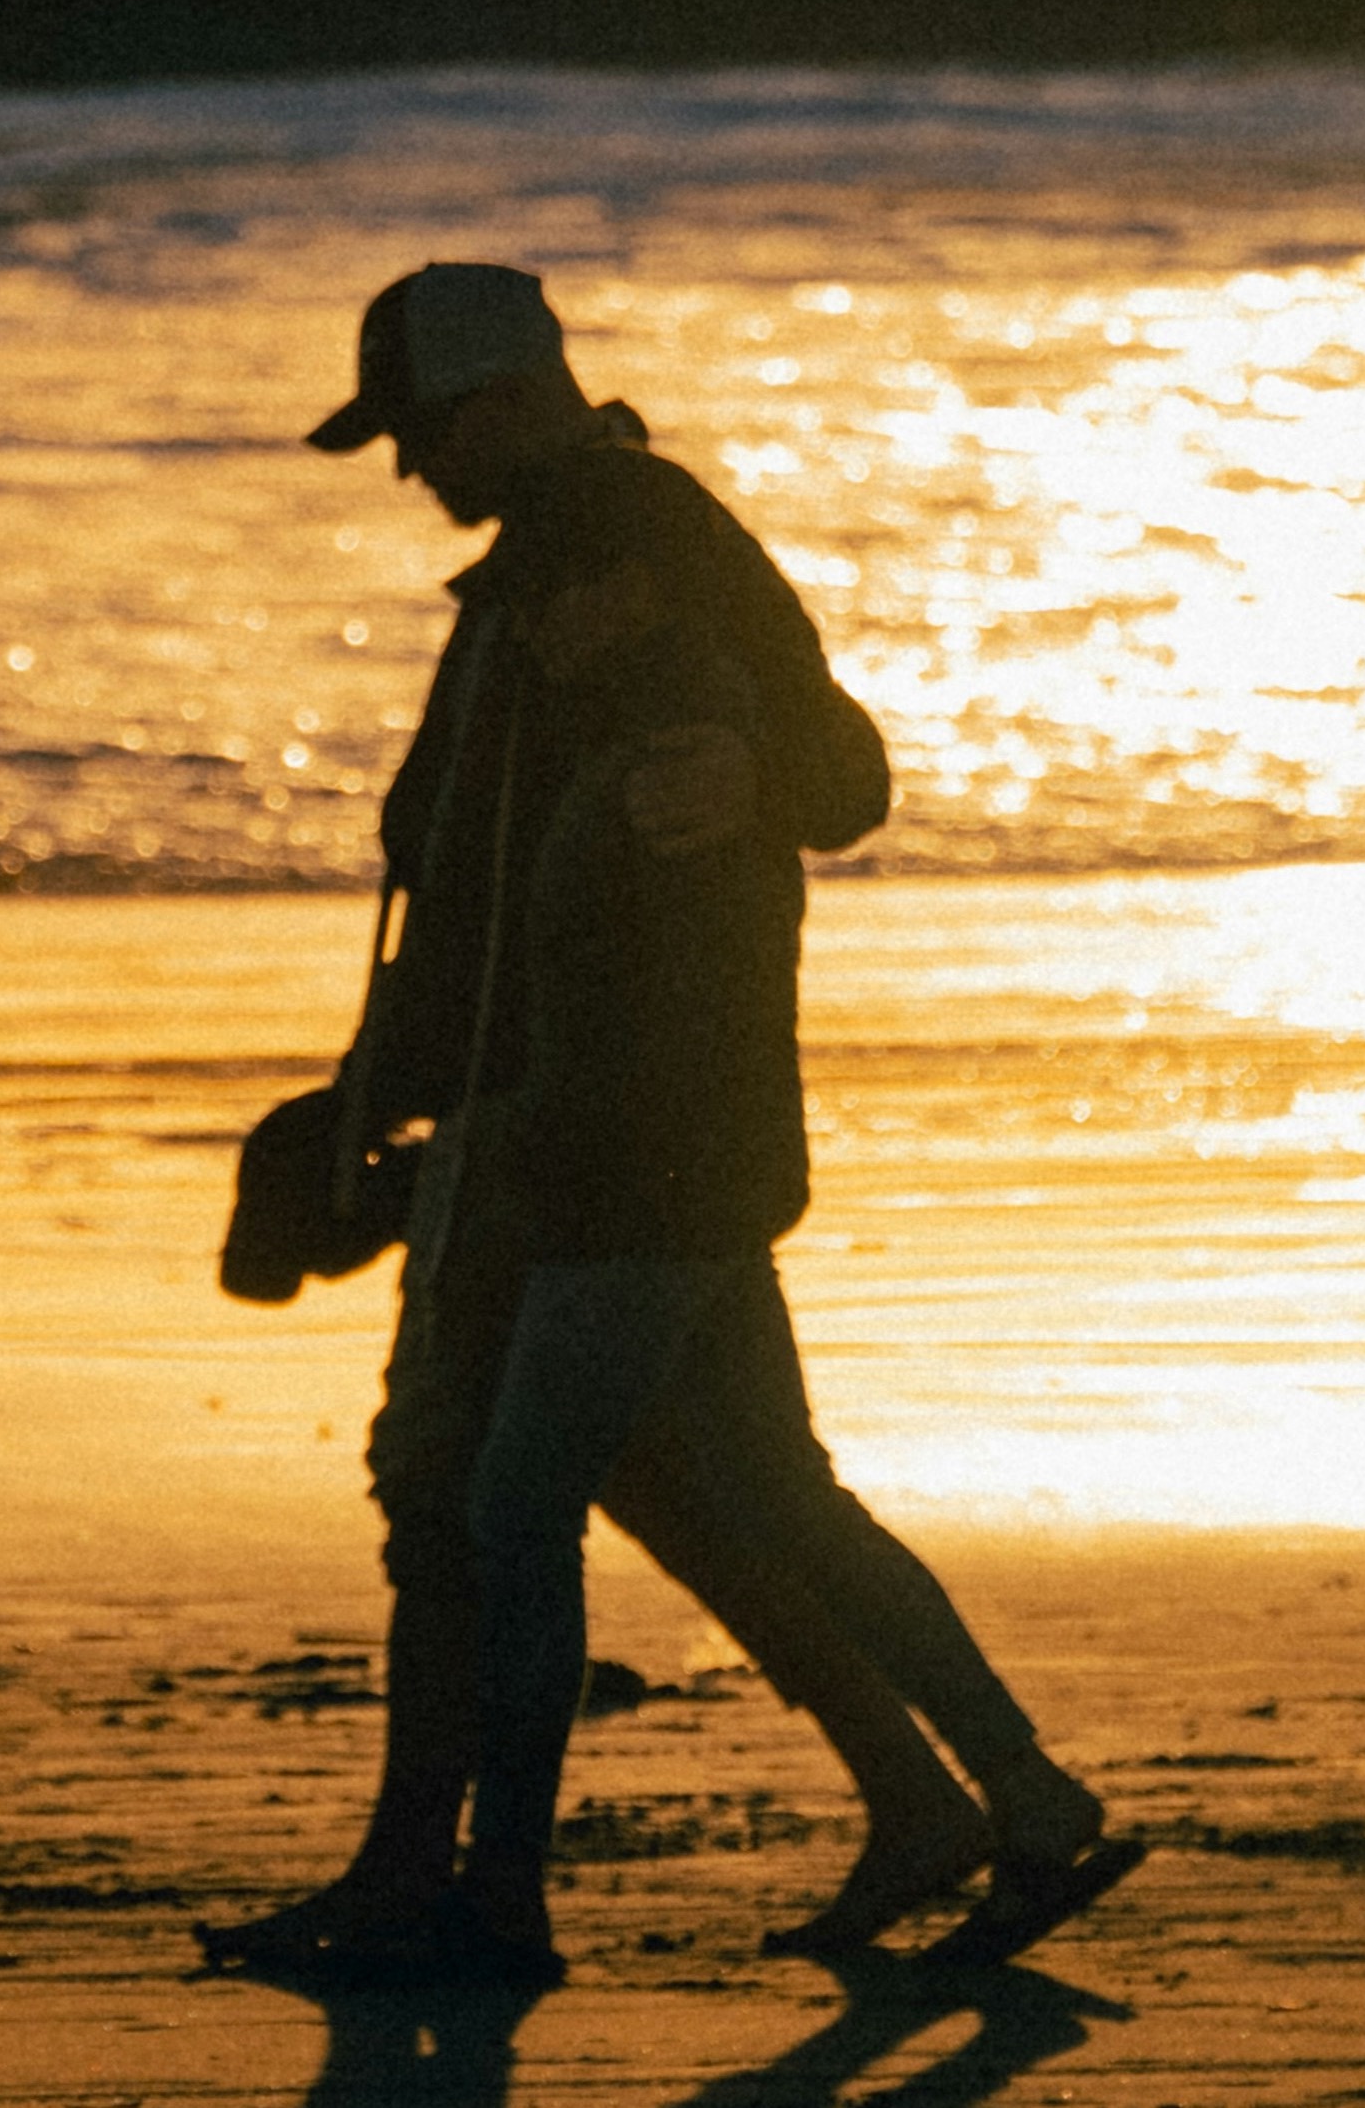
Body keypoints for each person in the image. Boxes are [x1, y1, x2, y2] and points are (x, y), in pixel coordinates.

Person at [201, 261, 1137, 1987]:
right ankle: (995, 1797)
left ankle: (484, 1895)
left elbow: (843, 776)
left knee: (500, 1507)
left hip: (624, 1155)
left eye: (417, 427)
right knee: (735, 1496)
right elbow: (461, 899)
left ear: (498, 398)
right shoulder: (519, 584)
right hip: (555, 1142)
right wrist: (372, 1090)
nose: (409, 466)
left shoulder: (657, 542)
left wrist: (756, 788)